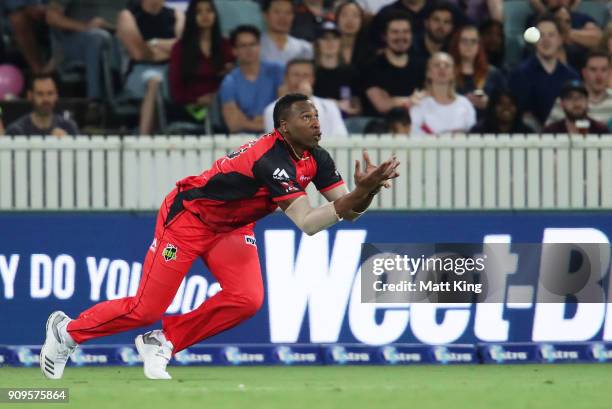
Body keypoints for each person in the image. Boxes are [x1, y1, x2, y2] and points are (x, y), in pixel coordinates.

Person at [40, 92, 400, 381]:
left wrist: (365, 191)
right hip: (189, 219)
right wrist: (359, 192)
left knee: (247, 299)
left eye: (317, 116)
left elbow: (348, 212)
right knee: (146, 308)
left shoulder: (316, 158)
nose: (316, 123)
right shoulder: (271, 159)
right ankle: (67, 331)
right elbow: (307, 222)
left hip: (231, 227)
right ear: (283, 127)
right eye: (306, 117)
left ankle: (163, 341)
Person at [117, 0, 185, 135]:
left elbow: (184, 47)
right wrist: (167, 49)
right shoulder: (128, 16)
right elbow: (138, 53)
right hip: (138, 71)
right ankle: (145, 138)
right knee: (153, 80)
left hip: (171, 69)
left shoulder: (177, 15)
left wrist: (154, 43)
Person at [168, 0, 233, 131]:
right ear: (191, 16)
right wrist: (197, 100)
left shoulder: (225, 46)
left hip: (221, 105)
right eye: (199, 12)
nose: (205, 15)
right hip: (190, 107)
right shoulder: (180, 49)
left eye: (209, 11)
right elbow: (176, 90)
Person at [509, 16, 579, 130]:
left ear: (560, 40)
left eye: (551, 35)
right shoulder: (520, 74)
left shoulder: (571, 76)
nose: (546, 40)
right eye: (541, 35)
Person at [46, 0, 126, 99]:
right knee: (98, 37)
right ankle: (94, 100)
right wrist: (86, 27)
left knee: (120, 37)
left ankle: (127, 92)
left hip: (117, 36)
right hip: (76, 40)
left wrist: (109, 26)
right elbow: (52, 17)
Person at [219, 25, 284, 133]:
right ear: (234, 51)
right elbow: (234, 124)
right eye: (243, 46)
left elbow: (287, 116)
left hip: (279, 139)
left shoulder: (277, 71)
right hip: (245, 142)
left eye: (253, 44)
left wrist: (248, 120)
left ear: (259, 46)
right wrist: (269, 120)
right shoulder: (229, 82)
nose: (249, 49)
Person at [362, 11, 425, 117]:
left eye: (405, 32)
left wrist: (394, 101)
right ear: (384, 36)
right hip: (380, 128)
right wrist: (410, 100)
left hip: (416, 125)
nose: (401, 37)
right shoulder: (370, 67)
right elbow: (382, 105)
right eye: (395, 32)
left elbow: (428, 98)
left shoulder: (421, 65)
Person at [264, 59, 348, 137]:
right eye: (296, 75)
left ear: (313, 79)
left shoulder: (329, 106)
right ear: (286, 78)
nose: (300, 79)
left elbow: (342, 138)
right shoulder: (272, 109)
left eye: (306, 75)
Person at [410, 52, 476, 135]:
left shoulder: (465, 104)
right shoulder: (419, 104)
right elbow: (415, 136)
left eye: (447, 65)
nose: (442, 68)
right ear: (428, 73)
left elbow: (473, 135)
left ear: (453, 73)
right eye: (437, 65)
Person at [448, 24, 505, 116]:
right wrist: (463, 101)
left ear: (479, 46)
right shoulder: (446, 72)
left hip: (485, 125)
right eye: (464, 41)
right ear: (456, 44)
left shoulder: (493, 74)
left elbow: (505, 103)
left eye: (473, 41)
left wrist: (490, 104)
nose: (469, 45)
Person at [547, 51, 611, 127]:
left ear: (610, 72)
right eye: (593, 70)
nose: (599, 76)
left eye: (603, 70)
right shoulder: (566, 99)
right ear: (584, 73)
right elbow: (548, 135)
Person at [5, 74, 79, 136]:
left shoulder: (68, 127)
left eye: (50, 93)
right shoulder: (16, 131)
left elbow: (79, 152)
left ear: (56, 95)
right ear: (30, 96)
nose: (45, 99)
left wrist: (66, 143)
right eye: (40, 94)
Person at [313, 21, 361, 116]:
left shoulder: (350, 72)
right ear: (317, 42)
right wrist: (335, 104)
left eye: (334, 38)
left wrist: (352, 107)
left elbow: (356, 106)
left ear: (340, 42)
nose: (330, 42)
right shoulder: (310, 71)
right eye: (324, 38)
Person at [542, 80, 609, 134]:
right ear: (562, 104)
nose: (576, 102)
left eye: (580, 97)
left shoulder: (601, 131)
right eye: (570, 98)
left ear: (587, 102)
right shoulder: (550, 131)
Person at [6, 0, 53, 75]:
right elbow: (13, 7)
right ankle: (39, 73)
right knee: (17, 20)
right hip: (28, 15)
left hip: (59, 8)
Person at [260, 0, 314, 65]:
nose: (283, 17)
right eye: (277, 12)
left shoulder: (305, 48)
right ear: (265, 15)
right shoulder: (255, 45)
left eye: (288, 13)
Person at [470, 89, 535, 133]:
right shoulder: (478, 131)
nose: (506, 108)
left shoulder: (526, 132)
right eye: (501, 104)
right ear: (493, 107)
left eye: (511, 104)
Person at [335, 1, 373, 67]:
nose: (350, 20)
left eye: (355, 15)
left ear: (362, 20)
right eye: (344, 15)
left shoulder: (369, 51)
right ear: (337, 19)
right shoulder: (329, 47)